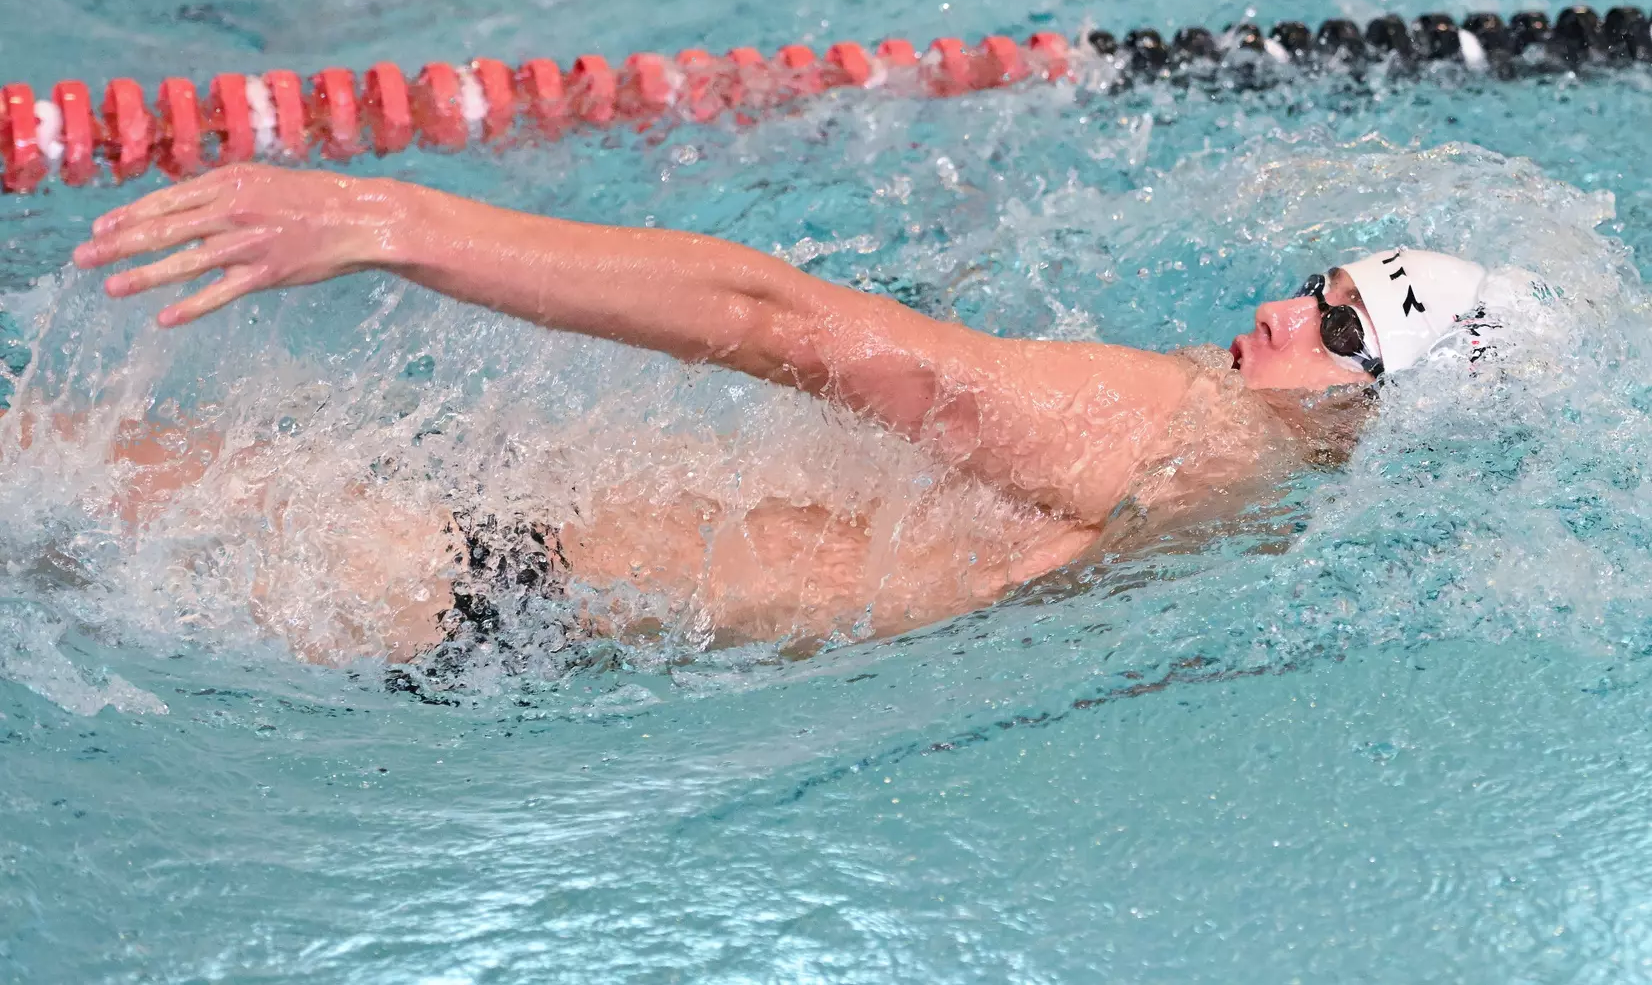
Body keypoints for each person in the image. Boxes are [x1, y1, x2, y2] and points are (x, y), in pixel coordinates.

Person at [60, 163, 1493, 675]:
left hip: (425, 567)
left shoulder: (1178, 427)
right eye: (1319, 288)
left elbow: (777, 323)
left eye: (1342, 332)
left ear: (1386, 406)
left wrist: (389, 218)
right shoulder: (1260, 515)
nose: (1280, 316)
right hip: (504, 610)